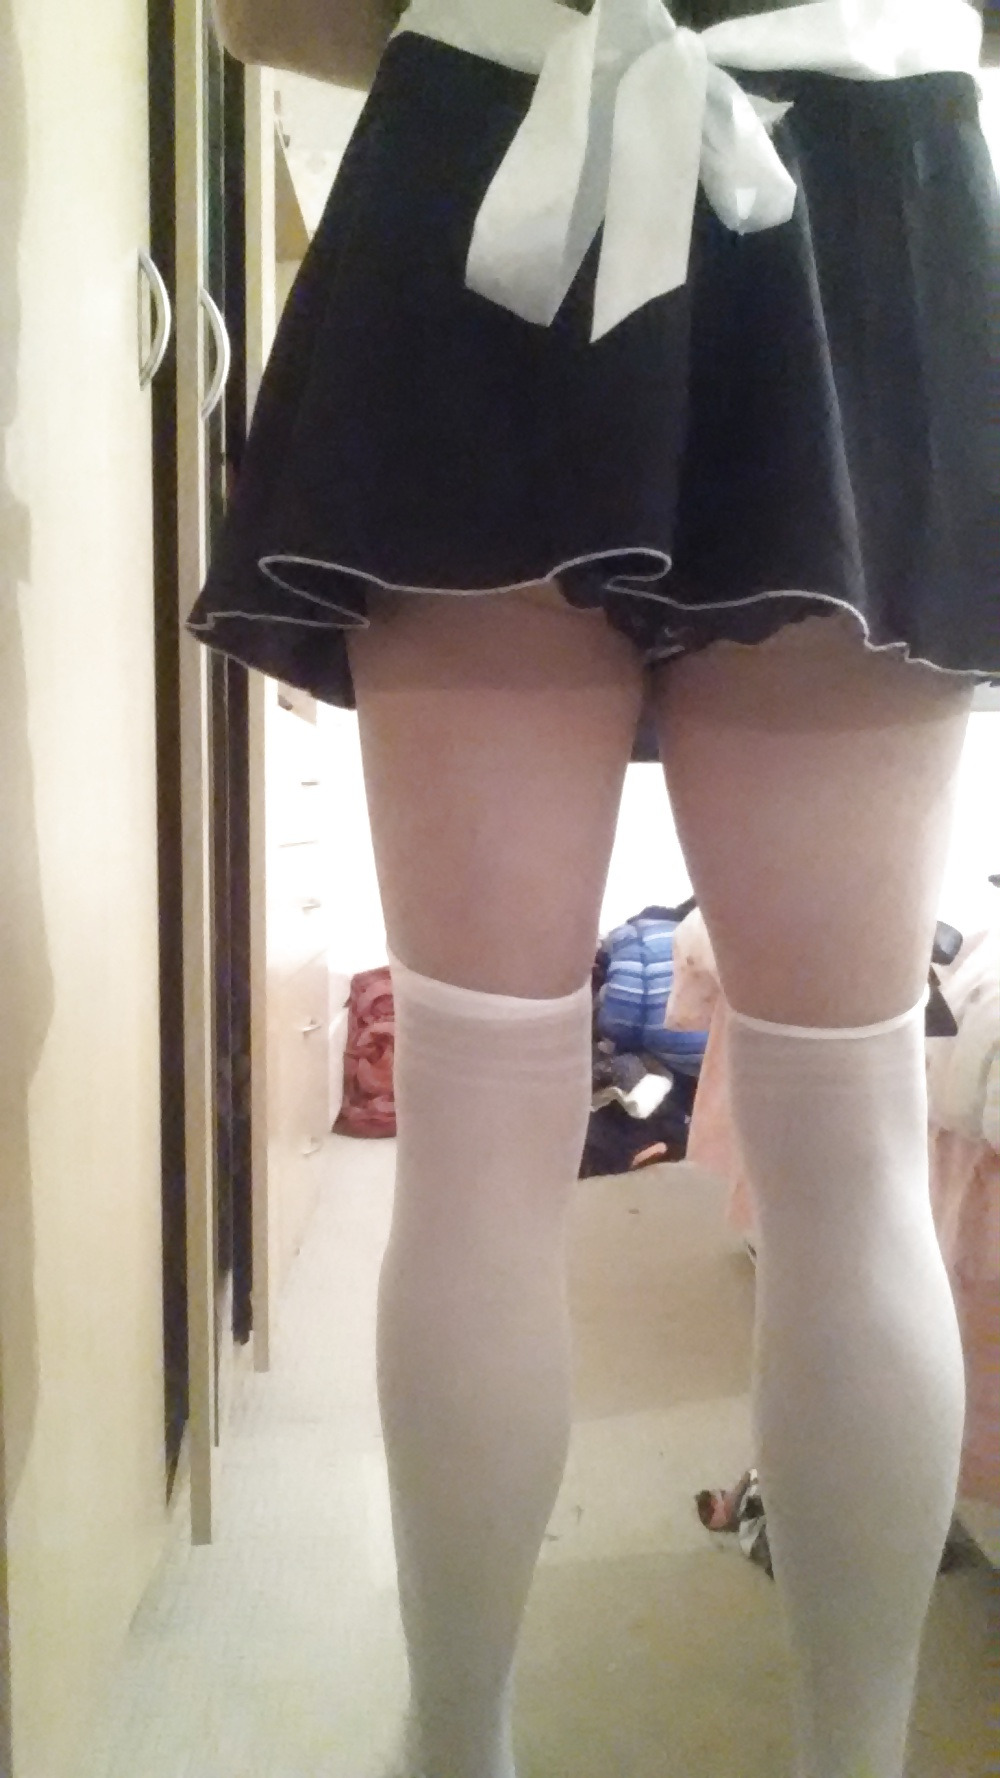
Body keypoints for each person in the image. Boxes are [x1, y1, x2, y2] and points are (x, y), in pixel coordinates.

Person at [189, 2, 1000, 1773]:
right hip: (859, 175)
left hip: (499, 142)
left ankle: (455, 1749)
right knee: (850, 1140)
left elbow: (264, 12)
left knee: (479, 1135)